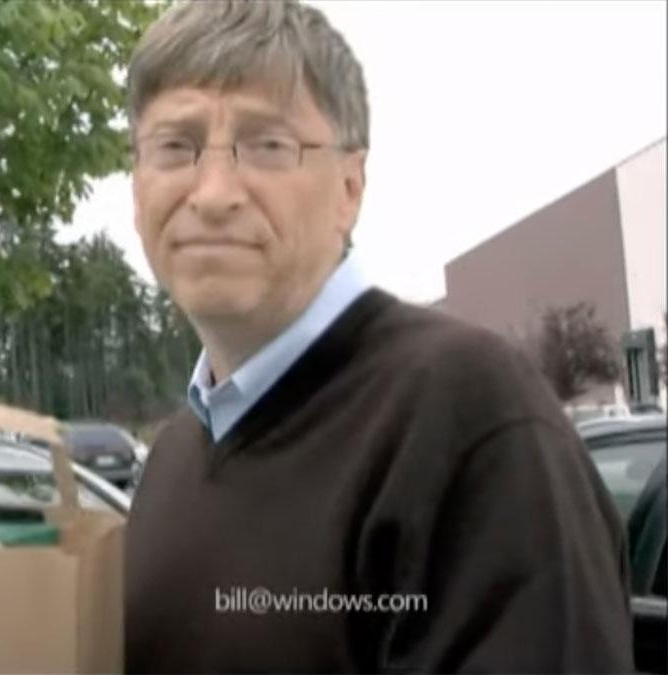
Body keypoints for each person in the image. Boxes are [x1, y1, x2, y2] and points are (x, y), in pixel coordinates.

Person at [122, 1, 634, 672]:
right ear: (136, 183)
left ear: (349, 187)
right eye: (176, 145)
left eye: (268, 145)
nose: (214, 193)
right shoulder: (171, 460)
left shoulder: (471, 422)